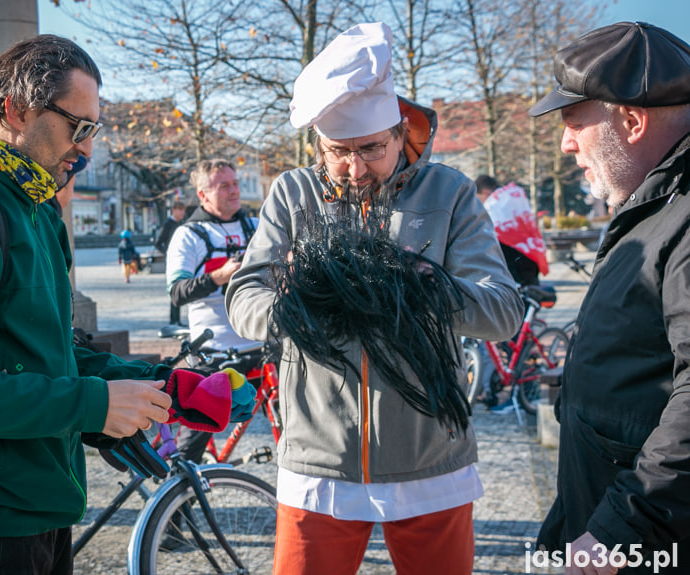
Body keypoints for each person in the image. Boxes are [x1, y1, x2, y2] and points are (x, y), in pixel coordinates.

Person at [226, 22, 524, 575]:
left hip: (430, 455)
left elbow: (502, 310)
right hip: (318, 459)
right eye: (339, 153)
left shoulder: (449, 192)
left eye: (371, 149)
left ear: (399, 134)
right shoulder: (293, 193)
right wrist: (303, 302)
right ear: (318, 144)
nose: (355, 169)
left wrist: (414, 287)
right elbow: (245, 297)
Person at [0, 35, 174, 574]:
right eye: (78, 127)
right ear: (16, 110)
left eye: (95, 130)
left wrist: (158, 386)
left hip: (44, 514)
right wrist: (93, 405)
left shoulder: (39, 213)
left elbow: (44, 352)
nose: (87, 148)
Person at [528, 22, 690, 575]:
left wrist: (621, 530)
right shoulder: (657, 199)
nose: (566, 144)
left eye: (575, 124)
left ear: (633, 120)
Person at [165, 159, 262, 463]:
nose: (235, 191)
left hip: (261, 343)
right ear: (203, 194)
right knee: (194, 438)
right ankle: (177, 501)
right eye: (224, 186)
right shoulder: (189, 235)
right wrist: (219, 276)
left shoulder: (257, 226)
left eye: (235, 183)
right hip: (216, 350)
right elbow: (178, 293)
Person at [475, 175, 548, 287]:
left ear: (485, 192)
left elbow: (489, 233)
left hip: (512, 261)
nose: (479, 203)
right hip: (530, 254)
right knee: (531, 291)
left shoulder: (495, 203)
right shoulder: (512, 195)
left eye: (478, 198)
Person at [154, 200, 187, 325]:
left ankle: (177, 319)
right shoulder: (167, 224)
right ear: (174, 210)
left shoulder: (183, 224)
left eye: (184, 210)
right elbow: (158, 243)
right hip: (173, 260)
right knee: (175, 288)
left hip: (183, 258)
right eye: (180, 209)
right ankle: (174, 320)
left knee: (183, 288)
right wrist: (168, 252)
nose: (183, 212)